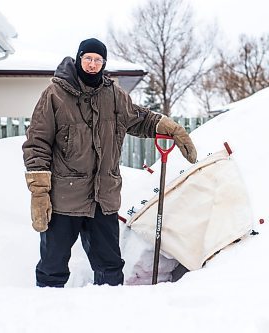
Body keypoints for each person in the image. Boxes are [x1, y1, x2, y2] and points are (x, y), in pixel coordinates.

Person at [22, 38, 197, 287]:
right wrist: (39, 193)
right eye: (88, 58)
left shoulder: (113, 95)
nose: (93, 64)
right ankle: (48, 313)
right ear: (79, 58)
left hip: (103, 197)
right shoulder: (55, 94)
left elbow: (138, 119)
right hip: (64, 198)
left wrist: (169, 127)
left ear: (103, 63)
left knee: (110, 266)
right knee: (53, 265)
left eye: (98, 60)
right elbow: (37, 143)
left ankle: (109, 314)